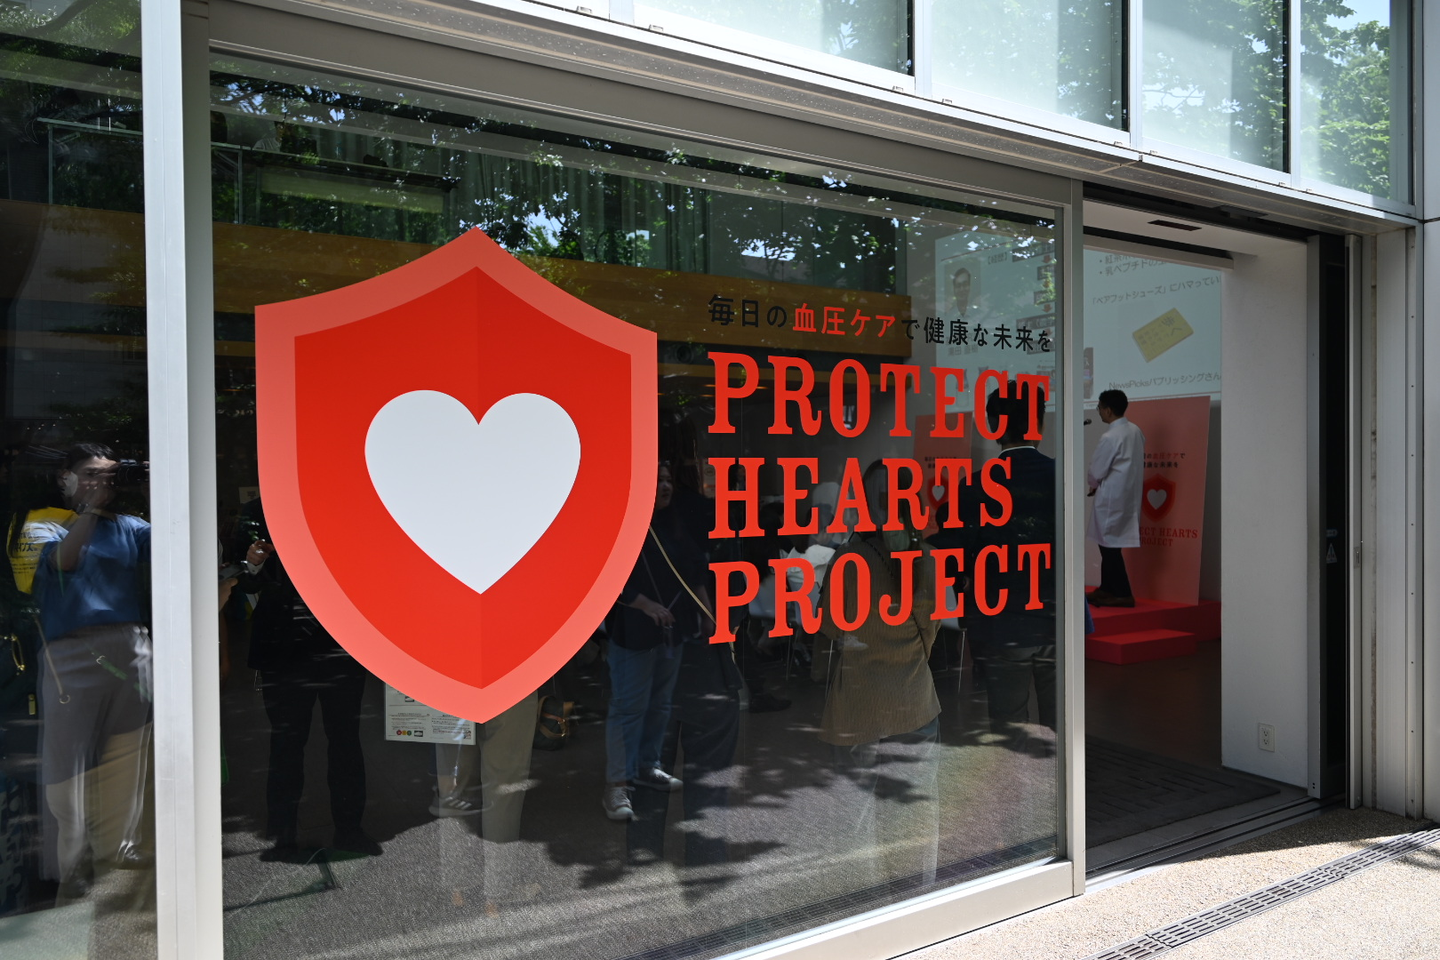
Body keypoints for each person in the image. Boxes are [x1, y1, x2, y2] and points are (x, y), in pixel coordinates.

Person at [29, 444, 153, 897]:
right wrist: (90, 511)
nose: (101, 483)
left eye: (109, 475)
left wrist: (158, 488)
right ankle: (73, 862)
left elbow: (181, 548)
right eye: (90, 474)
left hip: (130, 647)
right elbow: (64, 562)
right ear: (64, 477)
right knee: (68, 765)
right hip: (72, 654)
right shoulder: (45, 523)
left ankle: (117, 849)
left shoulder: (130, 526)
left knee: (126, 756)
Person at [813, 460, 941, 886]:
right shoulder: (925, 557)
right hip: (913, 698)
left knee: (852, 814)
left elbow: (830, 627)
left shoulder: (848, 560)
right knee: (914, 813)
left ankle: (860, 903)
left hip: (857, 703)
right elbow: (930, 631)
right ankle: (914, 896)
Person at [231, 497, 378, 860]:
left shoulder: (340, 504)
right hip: (284, 647)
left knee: (345, 739)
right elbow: (243, 579)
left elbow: (368, 565)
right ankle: (282, 833)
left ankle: (350, 828)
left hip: (340, 644)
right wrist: (253, 563)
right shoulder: (259, 510)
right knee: (285, 742)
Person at [601, 464, 693, 821]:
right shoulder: (623, 526)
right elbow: (609, 576)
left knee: (660, 704)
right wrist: (644, 604)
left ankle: (647, 766)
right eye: (658, 481)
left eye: (669, 480)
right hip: (633, 634)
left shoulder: (674, 523)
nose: (665, 486)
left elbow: (690, 572)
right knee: (628, 708)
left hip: (671, 631)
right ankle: (616, 784)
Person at [965, 380, 1056, 738]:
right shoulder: (1061, 475)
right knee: (1061, 723)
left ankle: (1020, 776)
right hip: (1057, 615)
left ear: (993, 425)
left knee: (1009, 727)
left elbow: (965, 558)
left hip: (1003, 621)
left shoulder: (975, 485)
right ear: (1040, 423)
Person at [1087, 389, 1144, 607]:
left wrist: (1093, 484)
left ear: (1108, 410)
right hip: (1127, 494)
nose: (1099, 411)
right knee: (1110, 544)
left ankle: (1122, 593)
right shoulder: (1135, 430)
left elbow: (1097, 470)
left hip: (1111, 496)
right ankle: (1107, 588)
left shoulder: (1110, 437)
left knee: (1109, 546)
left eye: (1099, 407)